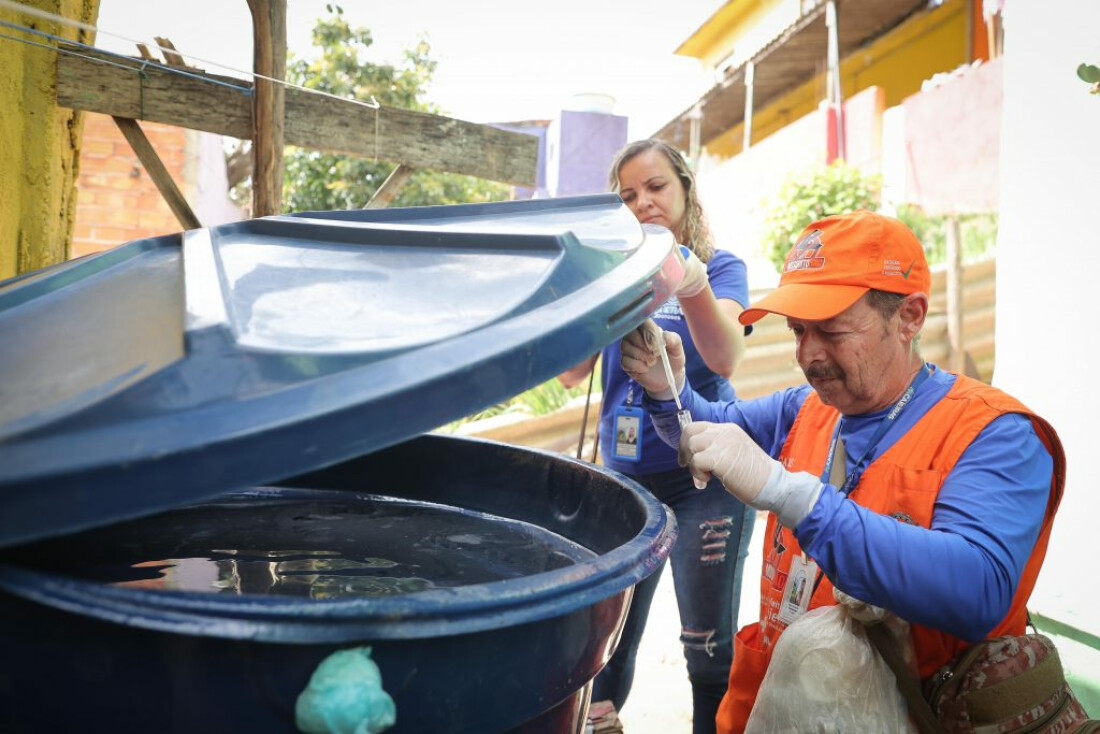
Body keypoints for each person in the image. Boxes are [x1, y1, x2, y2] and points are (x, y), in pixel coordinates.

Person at [619, 210, 1066, 733]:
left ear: (909, 317)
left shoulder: (994, 434)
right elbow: (708, 432)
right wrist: (663, 384)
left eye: (830, 330)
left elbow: (978, 592)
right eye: (798, 330)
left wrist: (795, 496)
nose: (808, 356)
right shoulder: (807, 408)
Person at [559, 139, 756, 733]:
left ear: (686, 189)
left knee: (707, 646)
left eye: (655, 187)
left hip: (706, 482)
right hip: (624, 481)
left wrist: (687, 284)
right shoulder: (612, 276)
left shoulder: (720, 268)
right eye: (628, 195)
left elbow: (725, 358)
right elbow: (570, 374)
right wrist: (584, 292)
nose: (642, 202)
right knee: (606, 644)